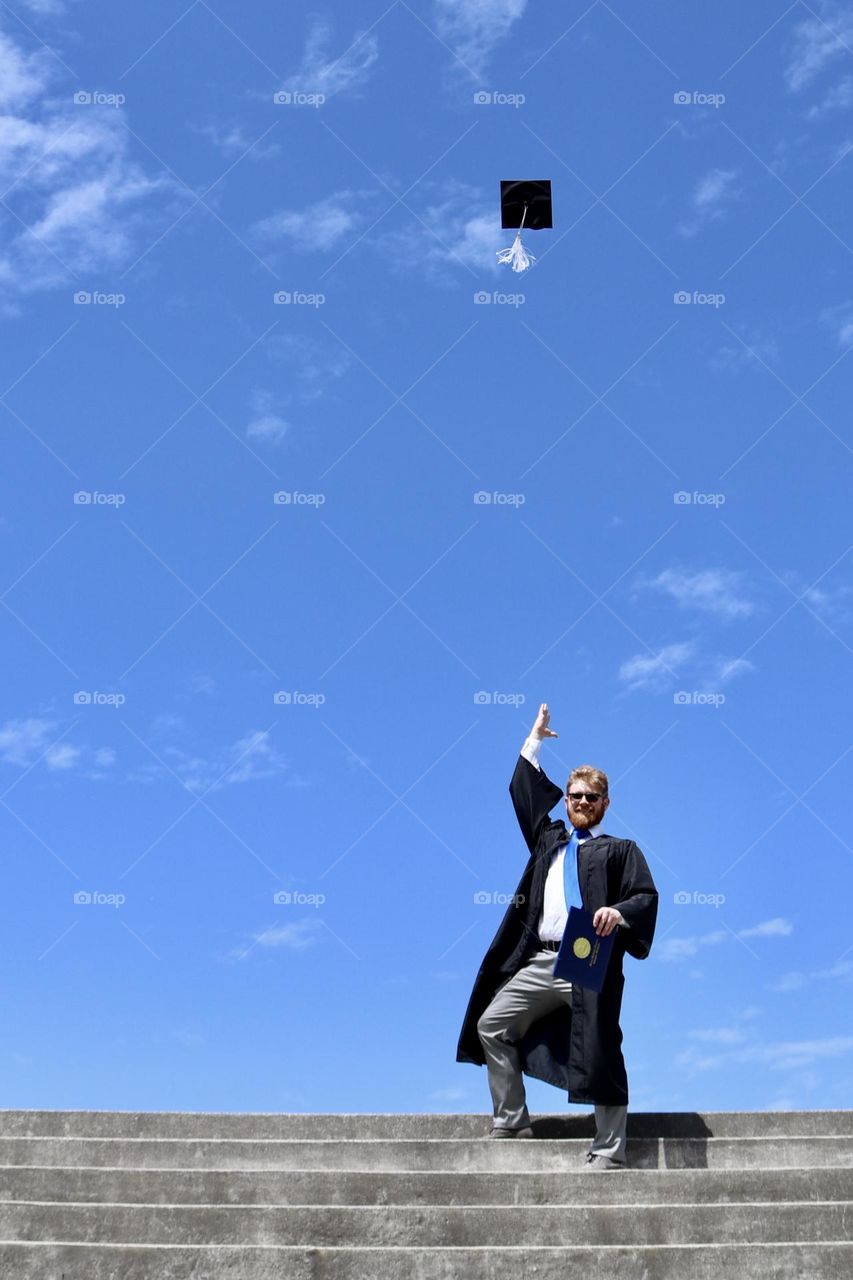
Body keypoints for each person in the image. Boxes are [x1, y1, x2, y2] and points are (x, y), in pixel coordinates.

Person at [456, 702, 659, 1169]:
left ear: (605, 803)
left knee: (601, 1043)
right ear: (565, 801)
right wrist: (534, 743)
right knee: (492, 1024)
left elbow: (644, 896)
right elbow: (524, 797)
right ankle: (512, 1118)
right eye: (575, 796)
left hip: (588, 954)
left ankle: (609, 1147)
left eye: (591, 797)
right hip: (540, 957)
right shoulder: (551, 841)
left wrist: (617, 912)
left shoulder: (619, 850)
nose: (582, 803)